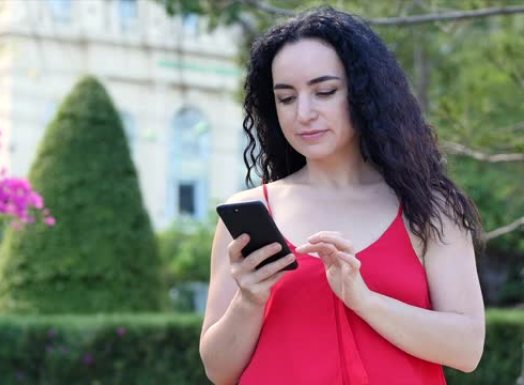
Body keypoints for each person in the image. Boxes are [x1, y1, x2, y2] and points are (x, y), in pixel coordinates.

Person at [199, 6, 485, 385]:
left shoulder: (429, 208)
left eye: (325, 91)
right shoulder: (249, 212)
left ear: (365, 94)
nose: (303, 113)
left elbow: (466, 350)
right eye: (286, 98)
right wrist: (248, 300)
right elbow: (219, 372)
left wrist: (364, 300)